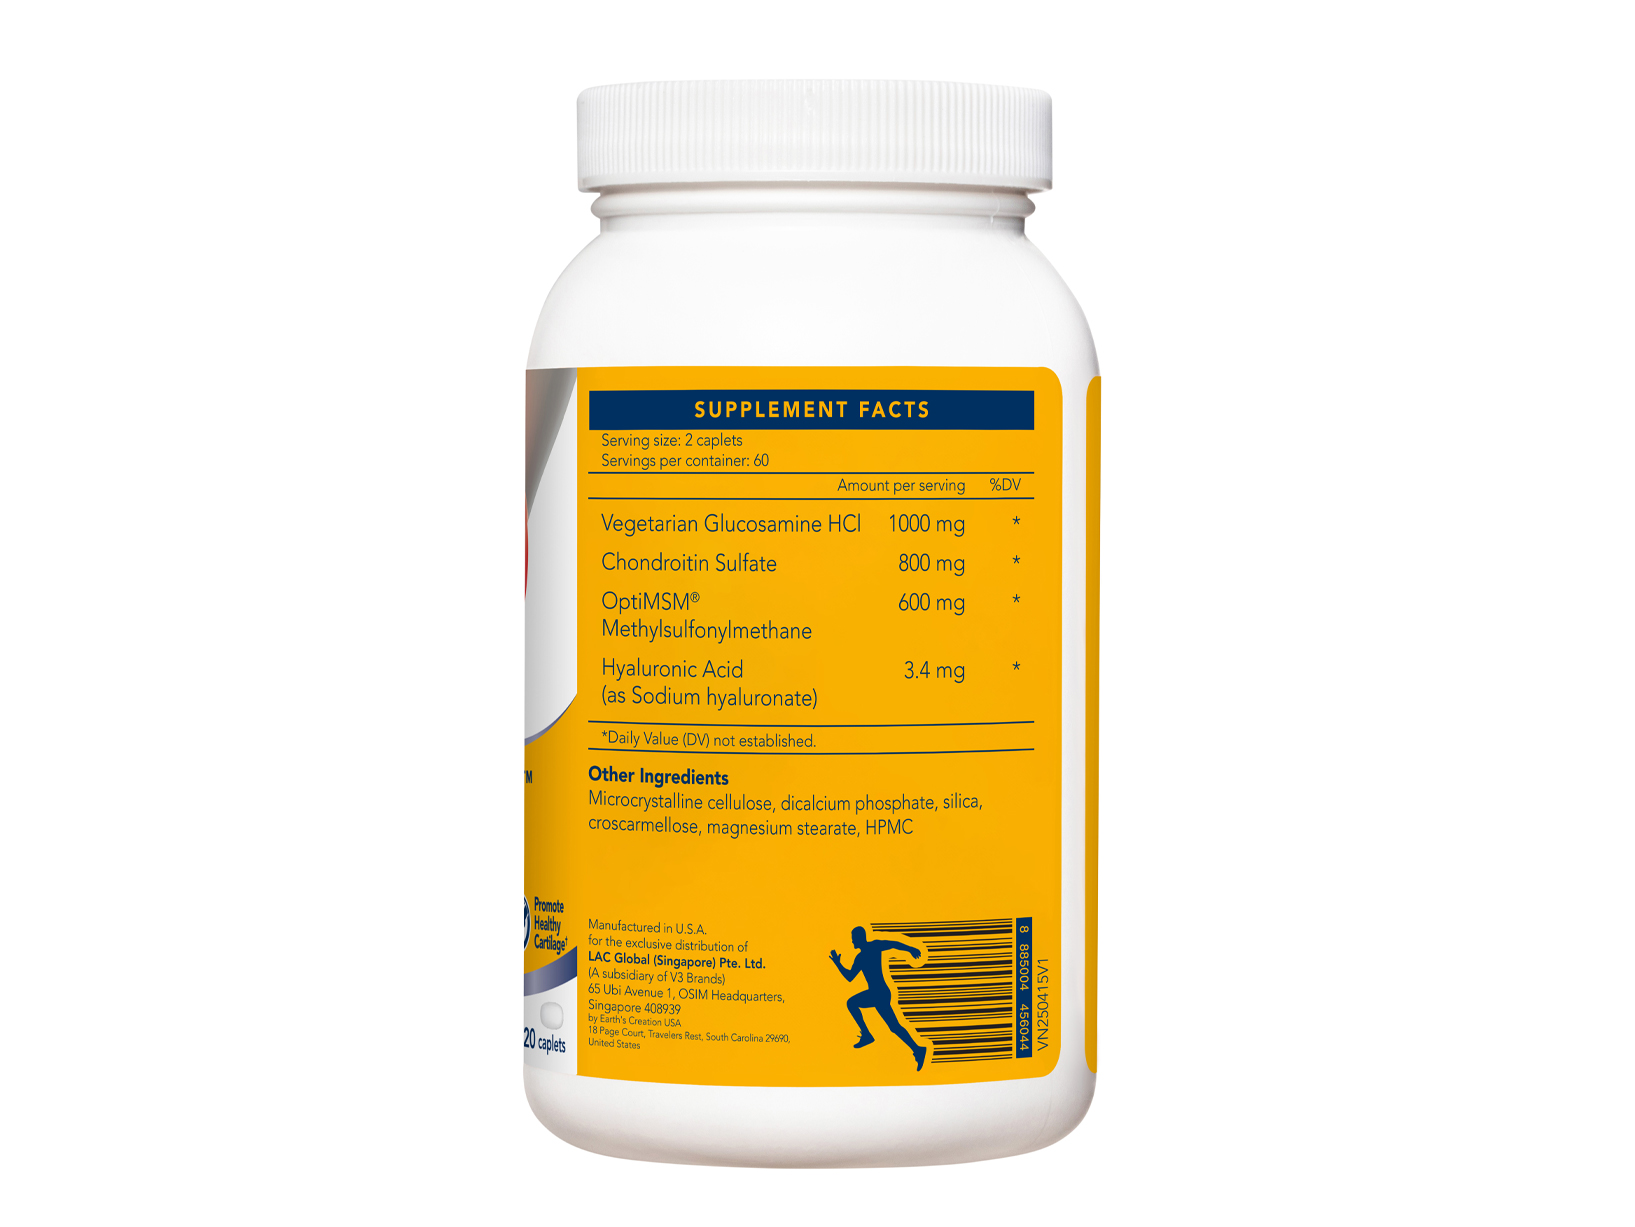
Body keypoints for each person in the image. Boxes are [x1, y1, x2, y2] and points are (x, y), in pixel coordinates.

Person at [828, 926, 928, 1071]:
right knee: (894, 1027)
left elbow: (893, 943)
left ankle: (867, 1035)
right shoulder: (863, 955)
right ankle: (918, 1049)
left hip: (878, 993)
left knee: (852, 1003)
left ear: (859, 938)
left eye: (853, 939)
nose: (852, 942)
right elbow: (850, 977)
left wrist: (910, 949)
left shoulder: (871, 948)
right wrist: (910, 949)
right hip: (880, 993)